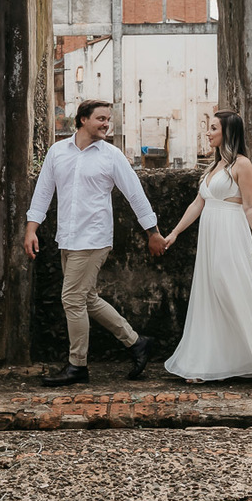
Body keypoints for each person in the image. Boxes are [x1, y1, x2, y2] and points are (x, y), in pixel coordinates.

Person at [25, 99, 168, 386]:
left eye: (108, 119)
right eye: (100, 118)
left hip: (94, 237)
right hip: (68, 236)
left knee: (72, 299)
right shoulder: (57, 152)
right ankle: (136, 342)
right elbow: (43, 193)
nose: (106, 124)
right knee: (86, 298)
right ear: (82, 120)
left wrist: (152, 232)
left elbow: (135, 194)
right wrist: (31, 229)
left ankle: (77, 366)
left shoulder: (111, 156)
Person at [162, 110, 252, 382]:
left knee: (234, 288)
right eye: (208, 127)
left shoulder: (242, 165)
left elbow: (250, 207)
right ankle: (208, 364)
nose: (208, 132)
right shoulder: (213, 167)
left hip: (231, 233)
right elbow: (198, 203)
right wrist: (175, 232)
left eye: (213, 128)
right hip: (210, 235)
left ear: (228, 132)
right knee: (210, 292)